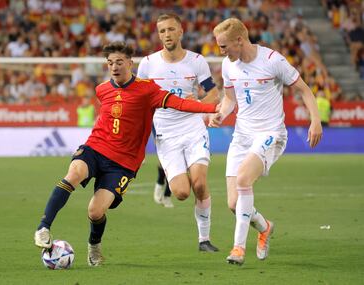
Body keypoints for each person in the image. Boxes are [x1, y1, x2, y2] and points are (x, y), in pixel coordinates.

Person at [33, 41, 219, 266]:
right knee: (73, 173)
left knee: (95, 211)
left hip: (123, 163)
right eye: (110, 62)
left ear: (130, 63)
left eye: (119, 62)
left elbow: (178, 103)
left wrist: (213, 109)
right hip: (96, 147)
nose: (114, 67)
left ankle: (94, 245)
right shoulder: (102, 89)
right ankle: (43, 227)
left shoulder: (147, 89)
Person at [210, 18, 323, 265]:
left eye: (223, 46)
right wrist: (221, 113)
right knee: (233, 203)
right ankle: (264, 227)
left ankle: (238, 248)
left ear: (239, 40)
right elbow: (230, 99)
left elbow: (304, 89)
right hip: (242, 135)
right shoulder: (229, 66)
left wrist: (315, 120)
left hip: (270, 133)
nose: (221, 51)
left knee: (243, 179)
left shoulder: (273, 61)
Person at [137, 13, 220, 252]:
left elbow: (213, 94)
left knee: (200, 184)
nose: (167, 35)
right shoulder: (148, 64)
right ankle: (174, 172)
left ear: (181, 31)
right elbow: (139, 99)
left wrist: (201, 99)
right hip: (166, 133)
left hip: (193, 127)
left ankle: (204, 240)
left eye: (171, 29)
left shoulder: (196, 61)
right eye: (162, 31)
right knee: (182, 192)